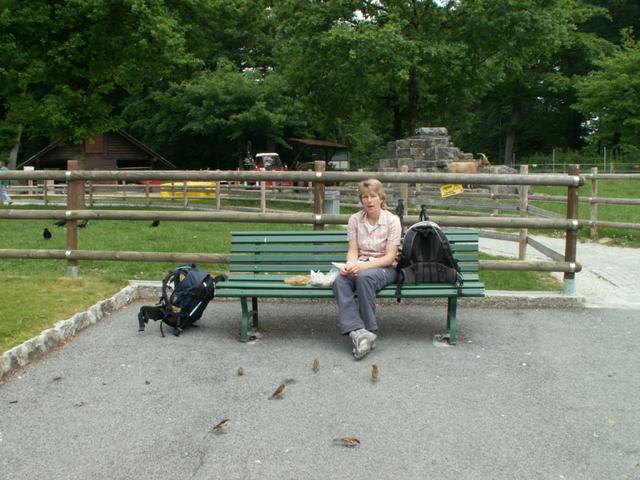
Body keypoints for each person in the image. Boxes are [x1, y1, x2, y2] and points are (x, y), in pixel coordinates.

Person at [333, 179, 402, 360]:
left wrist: (362, 266)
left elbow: (390, 257)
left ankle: (368, 329)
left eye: (373, 196)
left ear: (381, 198)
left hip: (385, 268)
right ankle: (358, 332)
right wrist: (350, 264)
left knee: (364, 277)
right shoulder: (355, 219)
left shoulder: (392, 221)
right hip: (361, 264)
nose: (369, 200)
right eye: (365, 197)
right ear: (361, 200)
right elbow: (353, 250)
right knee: (340, 280)